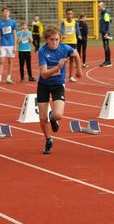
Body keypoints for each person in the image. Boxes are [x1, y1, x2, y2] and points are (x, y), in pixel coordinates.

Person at [37, 26, 82, 155]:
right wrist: (58, 67)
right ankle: (48, 139)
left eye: (57, 39)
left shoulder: (65, 48)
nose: (55, 42)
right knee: (42, 117)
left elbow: (76, 54)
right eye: (52, 40)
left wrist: (78, 70)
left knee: (58, 115)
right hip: (44, 85)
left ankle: (53, 119)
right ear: (46, 39)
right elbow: (44, 74)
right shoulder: (42, 51)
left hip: (58, 85)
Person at [60, 8, 81, 83]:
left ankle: (70, 76)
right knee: (64, 60)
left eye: (71, 14)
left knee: (72, 60)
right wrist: (62, 35)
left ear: (72, 14)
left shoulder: (75, 22)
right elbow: (61, 30)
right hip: (65, 42)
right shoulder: (63, 22)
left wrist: (79, 35)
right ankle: (62, 76)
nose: (69, 15)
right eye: (68, 14)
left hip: (73, 42)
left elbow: (78, 30)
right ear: (66, 14)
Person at [0, 6, 17, 84]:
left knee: (10, 61)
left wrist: (15, 45)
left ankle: (8, 78)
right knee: (1, 61)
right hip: (2, 43)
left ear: (9, 13)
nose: (6, 13)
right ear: (2, 12)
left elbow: (15, 34)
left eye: (7, 11)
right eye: (4, 11)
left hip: (11, 43)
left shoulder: (13, 22)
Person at [98, 2, 112, 67]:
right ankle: (106, 60)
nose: (98, 8)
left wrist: (106, 33)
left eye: (99, 6)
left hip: (106, 32)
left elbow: (107, 23)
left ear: (103, 6)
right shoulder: (102, 13)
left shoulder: (106, 13)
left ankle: (108, 62)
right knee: (105, 46)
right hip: (104, 32)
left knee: (106, 46)